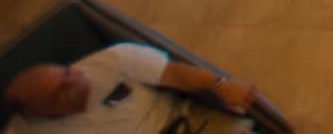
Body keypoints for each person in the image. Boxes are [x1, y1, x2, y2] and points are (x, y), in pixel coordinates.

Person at [4, 43, 258, 127]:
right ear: (35, 113)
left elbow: (176, 75)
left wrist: (221, 83)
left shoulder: (113, 60)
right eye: (59, 90)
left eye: (67, 73)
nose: (75, 80)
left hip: (183, 123)